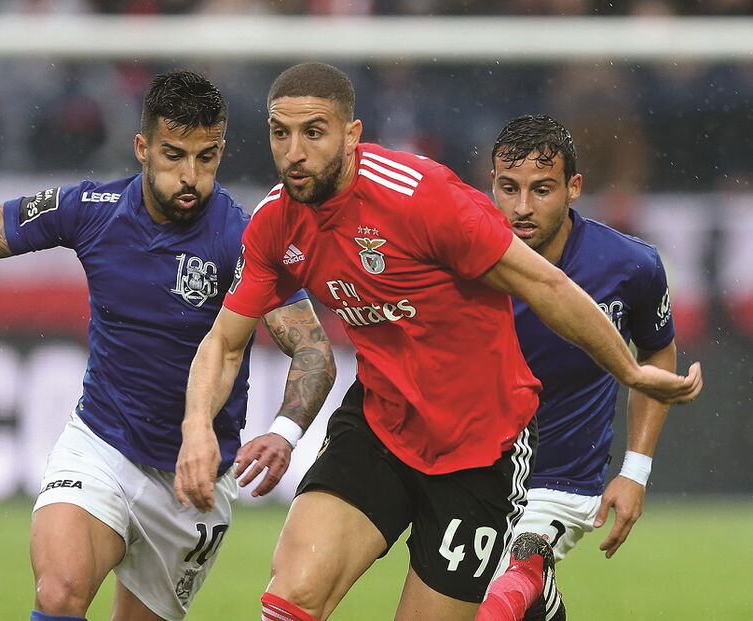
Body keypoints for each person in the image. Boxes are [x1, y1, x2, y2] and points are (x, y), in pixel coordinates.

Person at [174, 62, 702, 621]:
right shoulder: (275, 222)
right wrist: (195, 429)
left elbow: (544, 284)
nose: (294, 151)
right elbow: (225, 342)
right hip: (380, 423)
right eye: (281, 132)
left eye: (314, 131)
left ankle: (538, 598)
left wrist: (631, 371)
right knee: (291, 595)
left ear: (351, 135)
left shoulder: (421, 197)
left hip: (482, 446)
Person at [0, 71, 336, 621]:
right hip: (102, 447)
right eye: (173, 155)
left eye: (206, 157)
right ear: (142, 148)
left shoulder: (244, 238)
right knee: (60, 593)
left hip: (195, 480)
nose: (190, 176)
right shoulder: (94, 209)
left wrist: (285, 433)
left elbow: (313, 350)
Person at [481, 114, 680, 620]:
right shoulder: (467, 261)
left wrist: (635, 472)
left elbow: (657, 352)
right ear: (493, 186)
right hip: (475, 473)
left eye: (542, 189)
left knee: (504, 594)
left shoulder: (629, 265)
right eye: (510, 188)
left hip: (564, 483)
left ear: (574, 187)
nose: (523, 207)